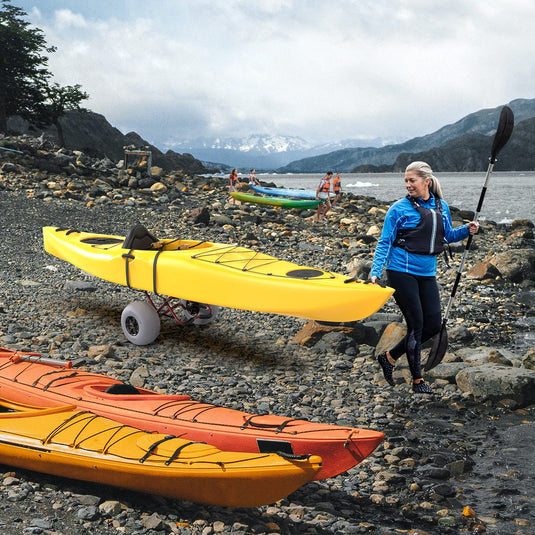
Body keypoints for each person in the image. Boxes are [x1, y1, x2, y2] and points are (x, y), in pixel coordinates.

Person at [370, 161, 479, 394]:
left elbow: (447, 236)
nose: (408, 185)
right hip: (401, 272)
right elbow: (384, 242)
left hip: (427, 273)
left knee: (432, 326)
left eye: (412, 180)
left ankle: (389, 357)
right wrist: (375, 271)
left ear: (426, 181)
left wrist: (466, 230)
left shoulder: (442, 206)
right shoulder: (398, 209)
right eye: (406, 181)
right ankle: (418, 381)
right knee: (416, 325)